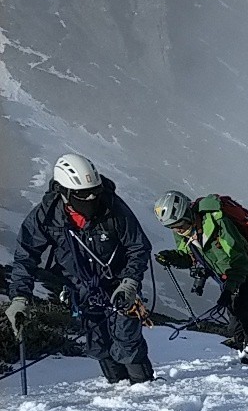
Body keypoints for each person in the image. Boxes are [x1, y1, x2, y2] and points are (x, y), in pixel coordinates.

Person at [5, 153, 156, 384]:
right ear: (64, 192)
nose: (92, 197)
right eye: (83, 194)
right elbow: (26, 257)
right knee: (99, 342)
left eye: (95, 191)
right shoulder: (46, 217)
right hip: (83, 291)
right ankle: (119, 390)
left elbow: (138, 247)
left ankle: (144, 389)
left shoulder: (113, 207)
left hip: (119, 284)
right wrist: (19, 298)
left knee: (126, 338)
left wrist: (130, 283)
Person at [152, 190, 248, 364]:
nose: (178, 230)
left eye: (179, 225)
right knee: (236, 315)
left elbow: (240, 260)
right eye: (172, 227)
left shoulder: (219, 223)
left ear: (188, 215)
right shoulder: (184, 230)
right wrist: (171, 257)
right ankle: (245, 347)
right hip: (227, 276)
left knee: (244, 310)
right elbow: (190, 256)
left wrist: (230, 287)